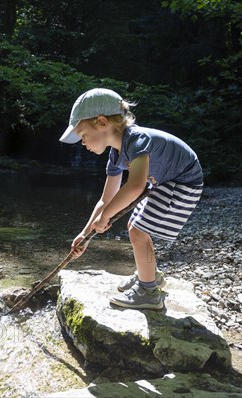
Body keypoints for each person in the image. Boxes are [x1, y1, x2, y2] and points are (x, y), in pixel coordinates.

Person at [60, 88, 204, 310]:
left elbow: (136, 185)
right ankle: (150, 275)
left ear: (101, 122)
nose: (82, 143)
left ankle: (148, 292)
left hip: (183, 182)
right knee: (134, 225)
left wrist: (106, 216)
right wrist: (85, 234)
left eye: (83, 135)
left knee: (138, 230)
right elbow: (105, 199)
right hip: (165, 181)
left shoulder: (136, 140)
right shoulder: (115, 156)